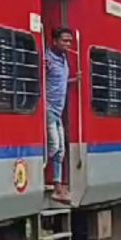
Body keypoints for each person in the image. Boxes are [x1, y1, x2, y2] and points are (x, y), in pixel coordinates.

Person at [45, 27, 74, 203]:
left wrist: (73, 81)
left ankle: (58, 187)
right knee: (54, 146)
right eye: (64, 40)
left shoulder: (64, 60)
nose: (67, 44)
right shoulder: (47, 59)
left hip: (58, 110)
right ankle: (40, 177)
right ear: (54, 41)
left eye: (70, 41)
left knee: (61, 150)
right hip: (48, 109)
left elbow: (59, 81)